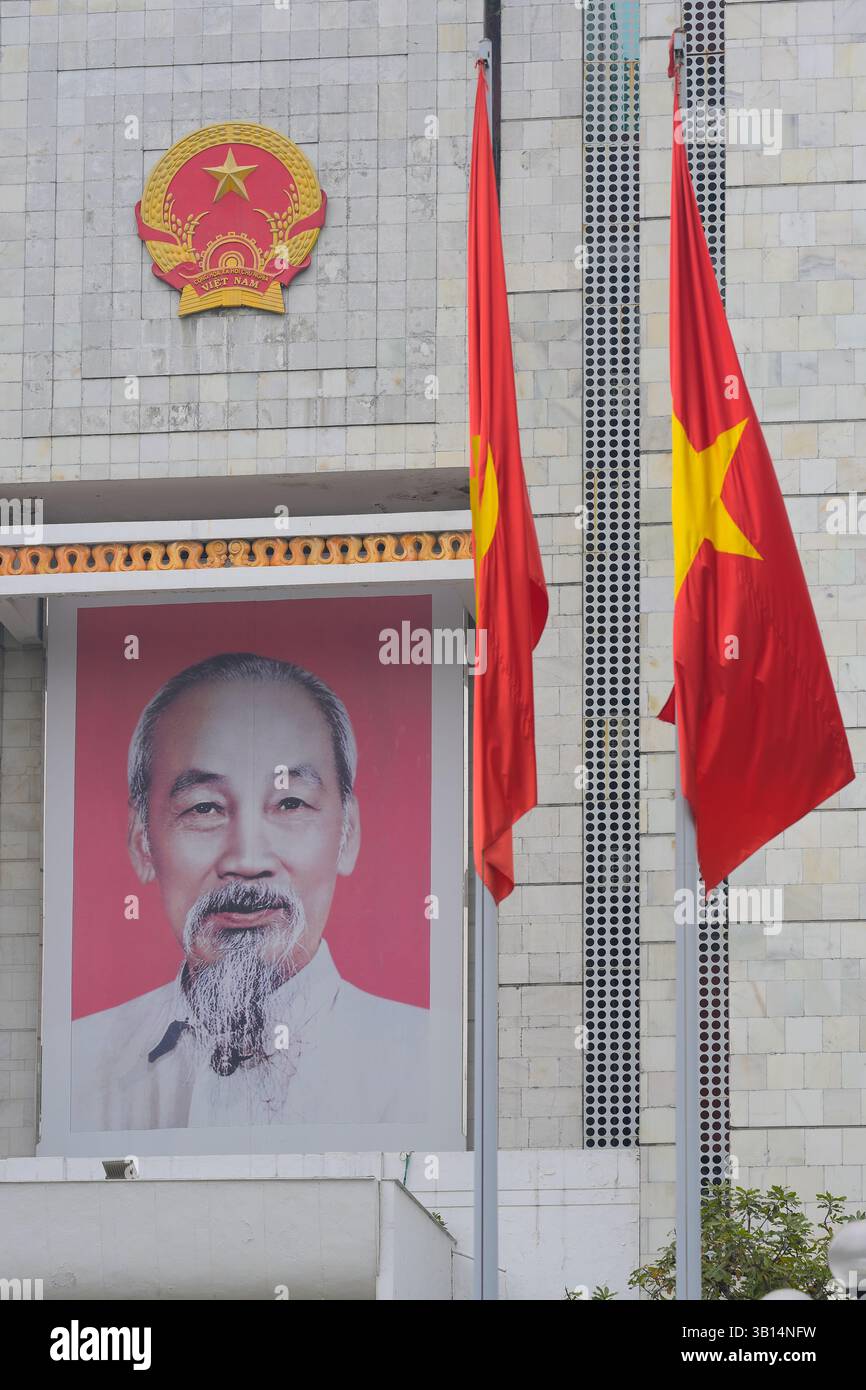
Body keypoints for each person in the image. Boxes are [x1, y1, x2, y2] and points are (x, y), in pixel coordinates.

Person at [71, 653, 427, 1130]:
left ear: (348, 834)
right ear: (142, 843)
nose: (247, 860)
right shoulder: (76, 1066)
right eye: (203, 809)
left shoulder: (426, 1065)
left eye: (291, 802)